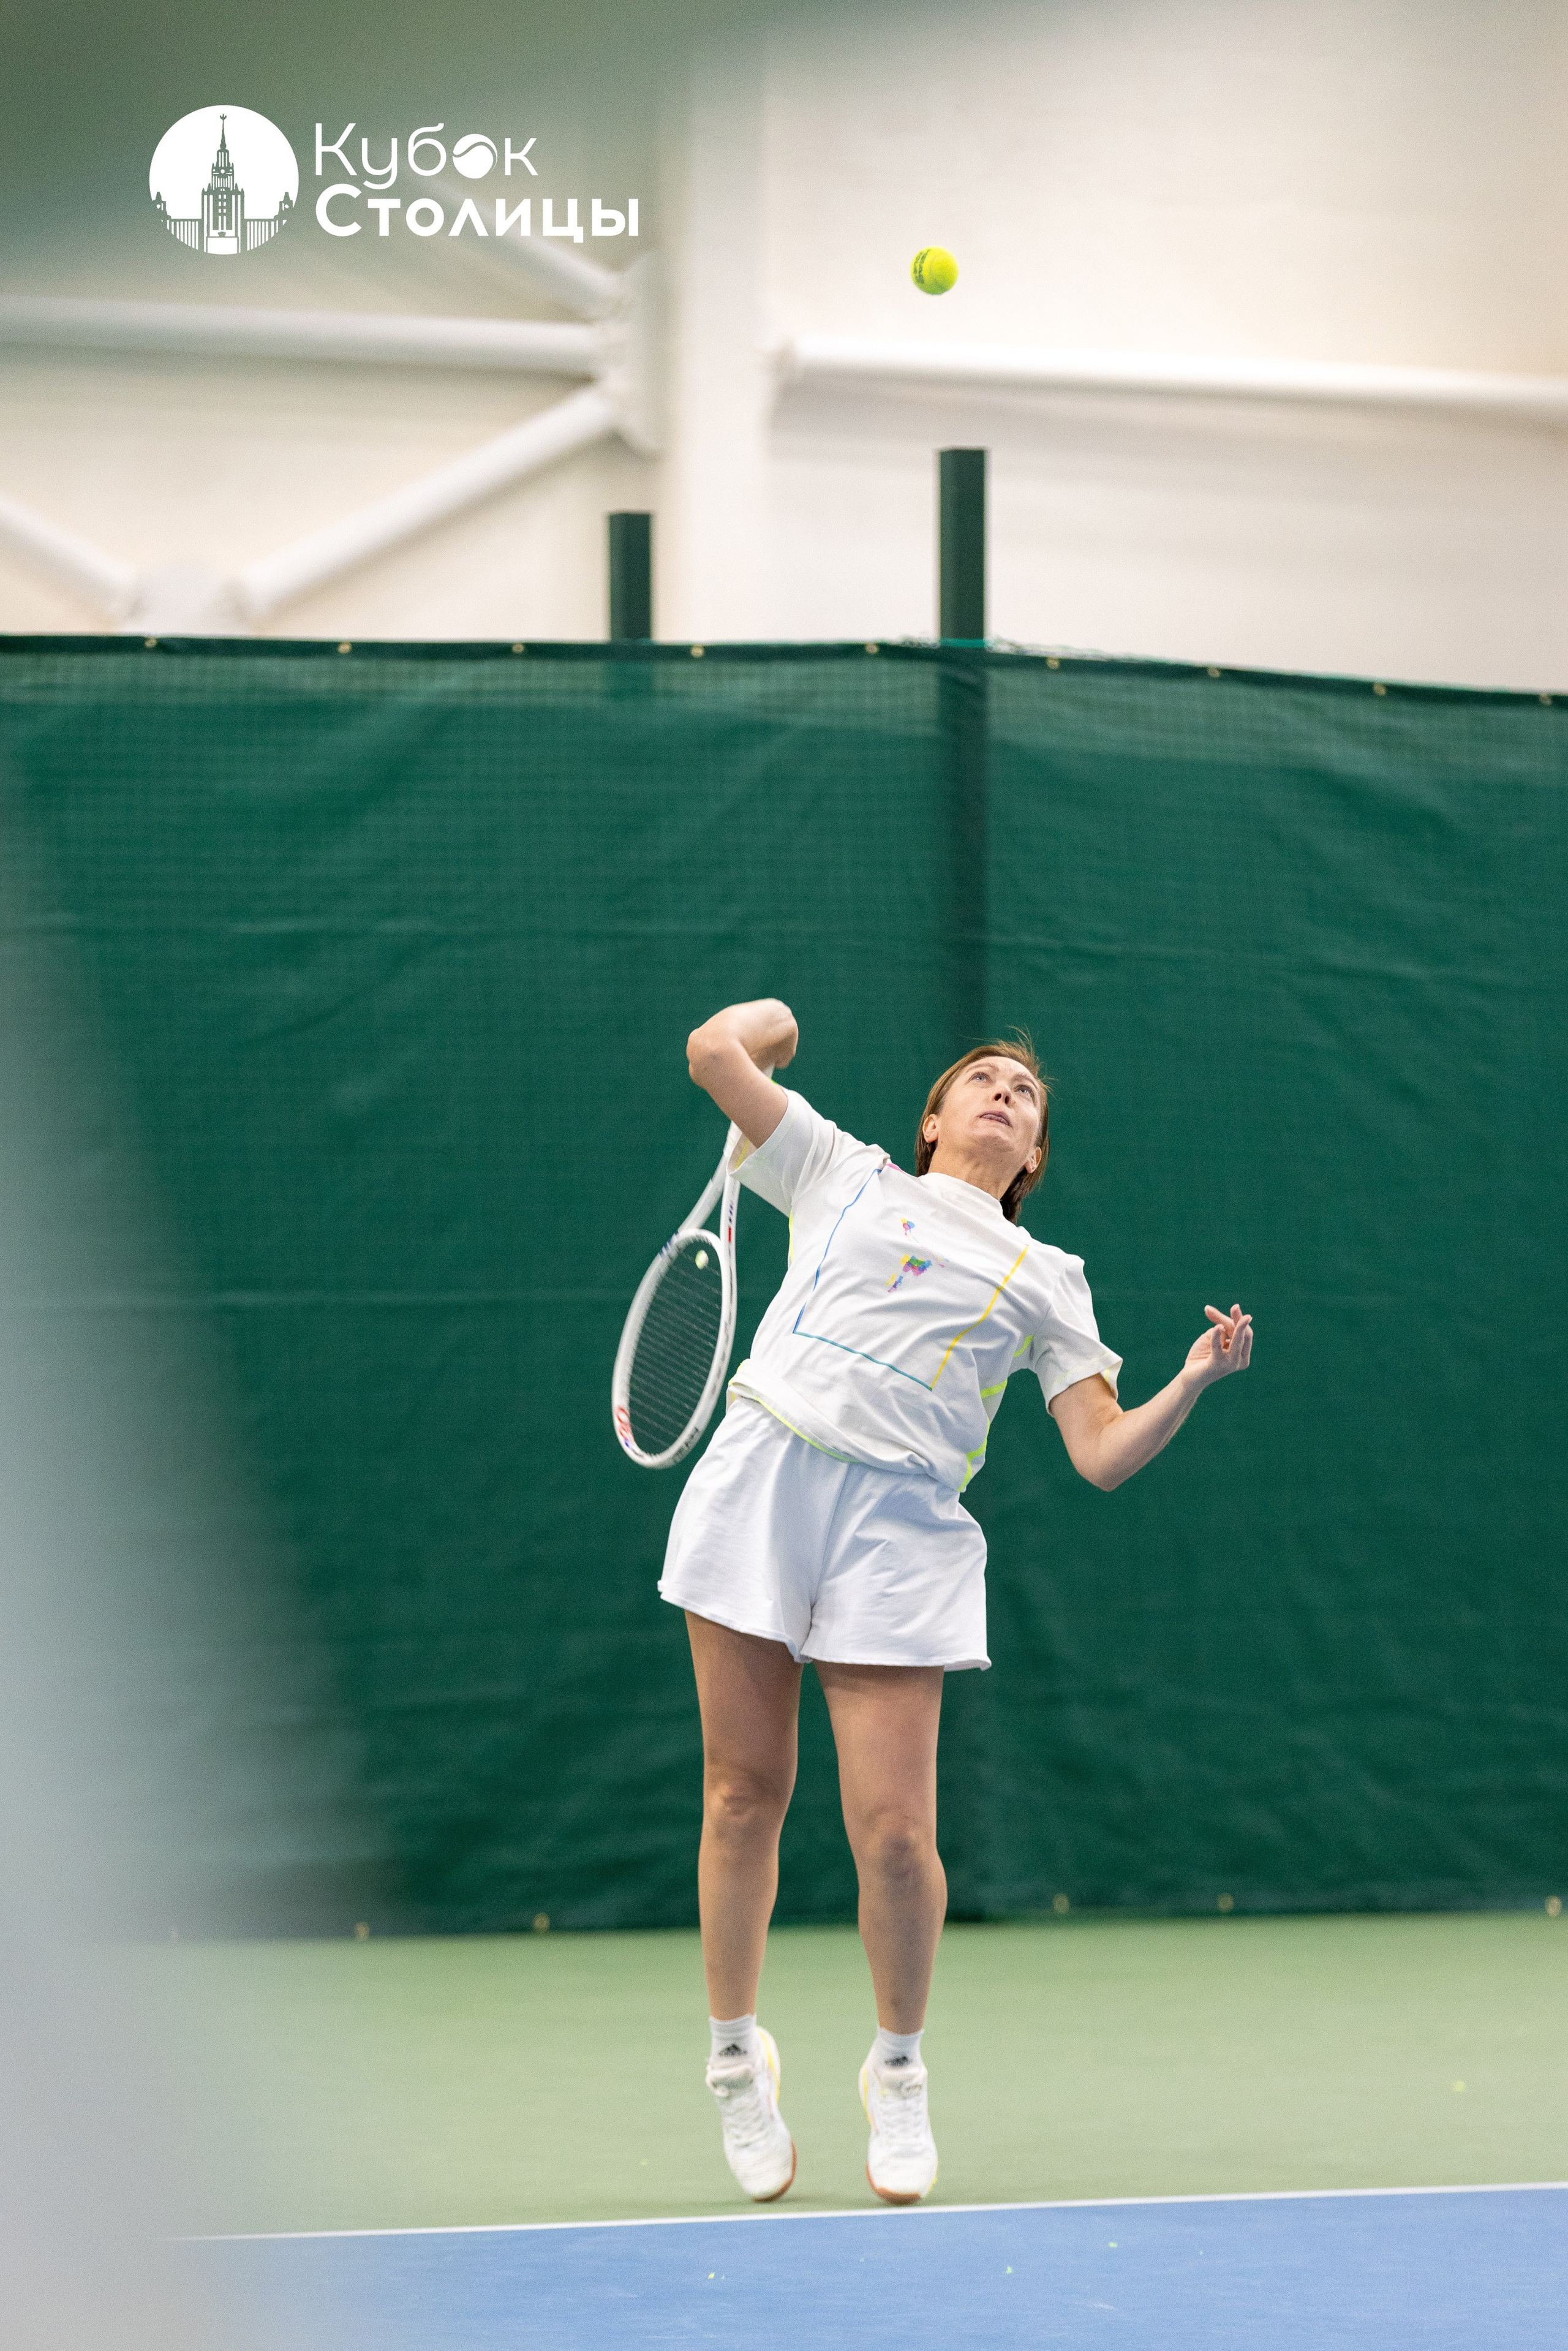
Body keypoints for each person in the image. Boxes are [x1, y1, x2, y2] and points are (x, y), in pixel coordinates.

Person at [659, 997, 1253, 2206]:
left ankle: (898, 2068)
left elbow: (1098, 1451)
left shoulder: (1048, 1278)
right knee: (740, 1794)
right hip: (761, 1484)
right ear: (931, 1120)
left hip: (899, 1528)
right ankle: (732, 2058)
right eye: (980, 1079)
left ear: (1031, 1155)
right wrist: (782, 1025)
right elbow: (714, 1051)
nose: (1003, 1093)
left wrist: (1190, 1379)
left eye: (1024, 1095)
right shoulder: (837, 1168)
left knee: (894, 1836)